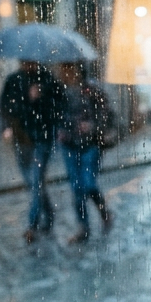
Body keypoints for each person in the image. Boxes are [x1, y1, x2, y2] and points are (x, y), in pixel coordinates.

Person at [0, 60, 63, 243]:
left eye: (32, 62)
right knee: (33, 182)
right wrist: (28, 98)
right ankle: (49, 213)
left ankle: (32, 226)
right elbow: (7, 107)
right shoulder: (13, 80)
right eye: (25, 62)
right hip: (22, 138)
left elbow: (58, 107)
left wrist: (42, 98)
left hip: (42, 139)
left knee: (36, 181)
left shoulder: (48, 79)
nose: (29, 65)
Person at [56, 62, 112, 243]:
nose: (64, 71)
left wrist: (92, 126)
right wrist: (60, 129)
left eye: (67, 68)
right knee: (76, 189)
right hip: (69, 146)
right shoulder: (59, 93)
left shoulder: (92, 90)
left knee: (88, 184)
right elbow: (54, 115)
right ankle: (83, 227)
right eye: (63, 68)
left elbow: (106, 115)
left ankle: (105, 213)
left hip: (90, 145)